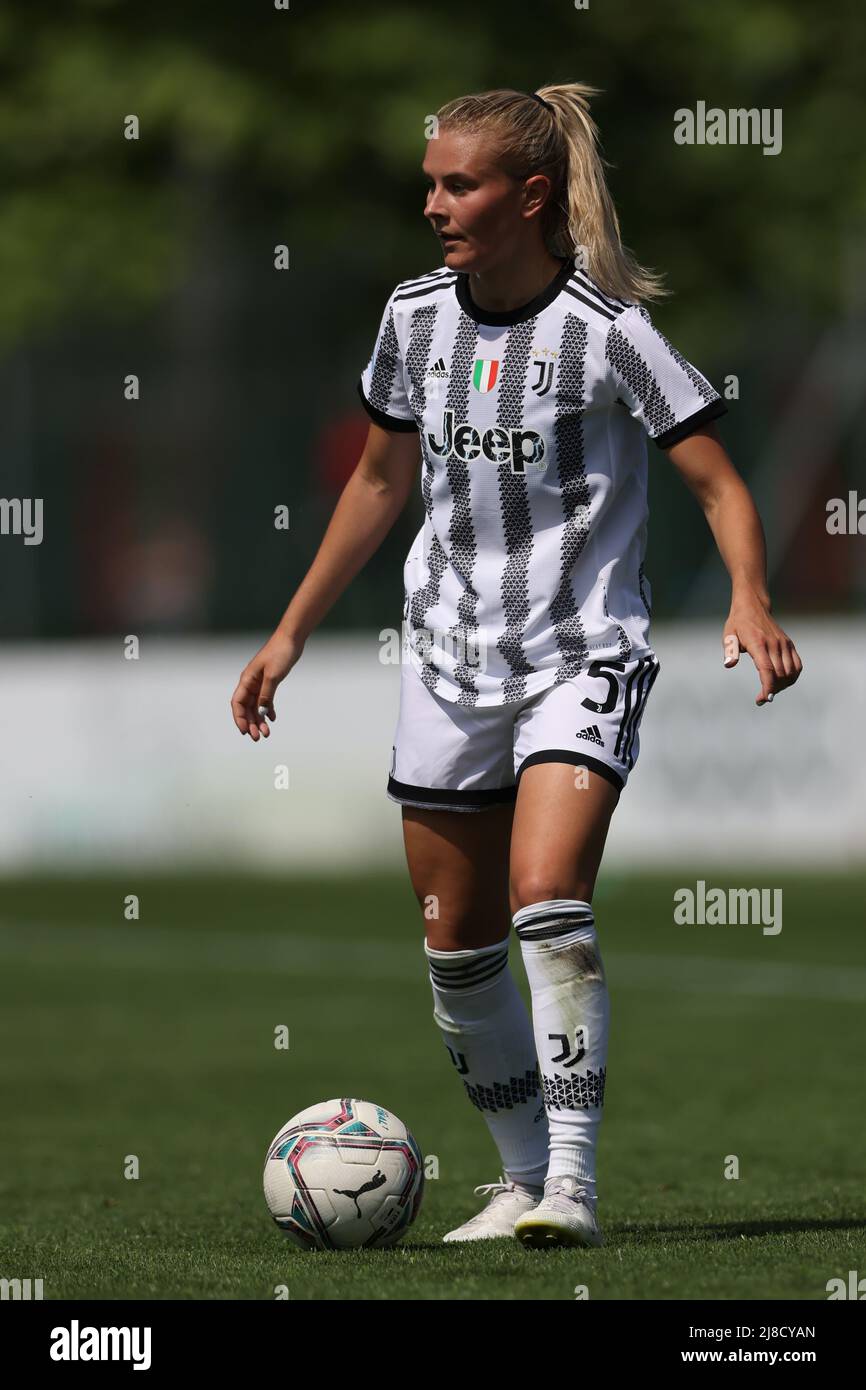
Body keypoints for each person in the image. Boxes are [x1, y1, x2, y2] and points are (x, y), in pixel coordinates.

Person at [230, 83, 802, 1249]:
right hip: (445, 660)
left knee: (549, 897)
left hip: (579, 652)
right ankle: (518, 1177)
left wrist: (747, 593)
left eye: (459, 184)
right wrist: (289, 630)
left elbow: (714, 481)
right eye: (430, 181)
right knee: (456, 943)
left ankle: (576, 1187)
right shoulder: (412, 317)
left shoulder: (607, 331)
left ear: (529, 195)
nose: (432, 203)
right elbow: (380, 483)